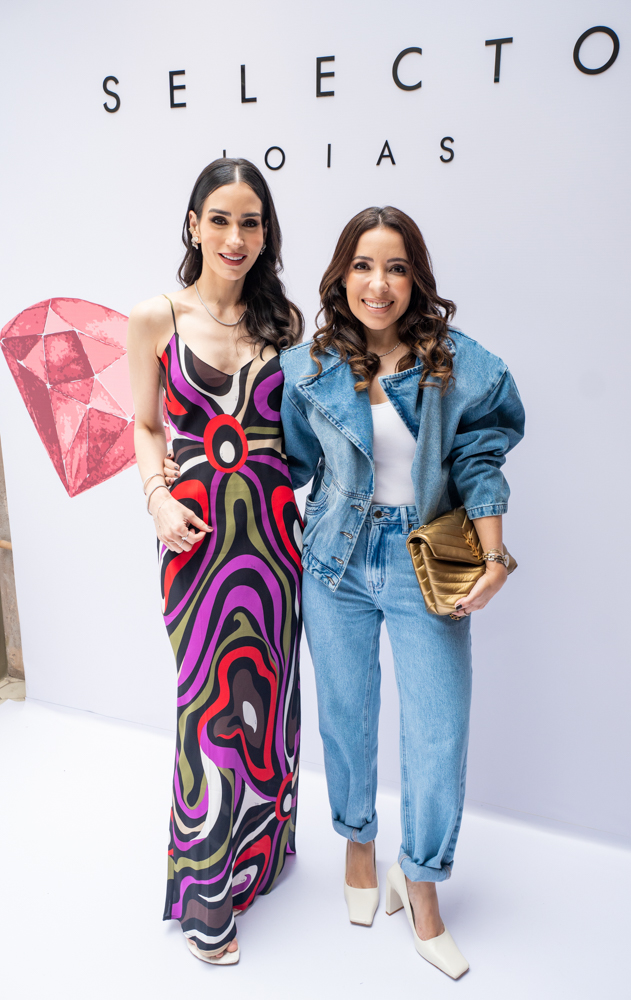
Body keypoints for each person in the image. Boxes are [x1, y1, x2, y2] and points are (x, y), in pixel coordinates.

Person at [280, 206, 524, 979]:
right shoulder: (307, 367)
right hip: (335, 561)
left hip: (427, 561)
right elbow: (283, 463)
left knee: (437, 731)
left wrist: (493, 556)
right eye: (362, 265)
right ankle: (358, 845)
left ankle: (420, 881)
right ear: (340, 276)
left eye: (394, 267)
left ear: (415, 277)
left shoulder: (459, 365)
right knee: (345, 718)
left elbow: (480, 459)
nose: (377, 284)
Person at [127, 158, 303, 965]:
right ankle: (205, 892)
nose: (236, 237)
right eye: (221, 219)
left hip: (274, 539)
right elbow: (144, 425)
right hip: (194, 539)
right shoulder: (155, 316)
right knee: (207, 706)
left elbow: (299, 437)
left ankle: (259, 855)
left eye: (251, 222)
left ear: (266, 234)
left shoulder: (282, 323)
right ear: (194, 224)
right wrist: (157, 499)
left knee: (268, 699)